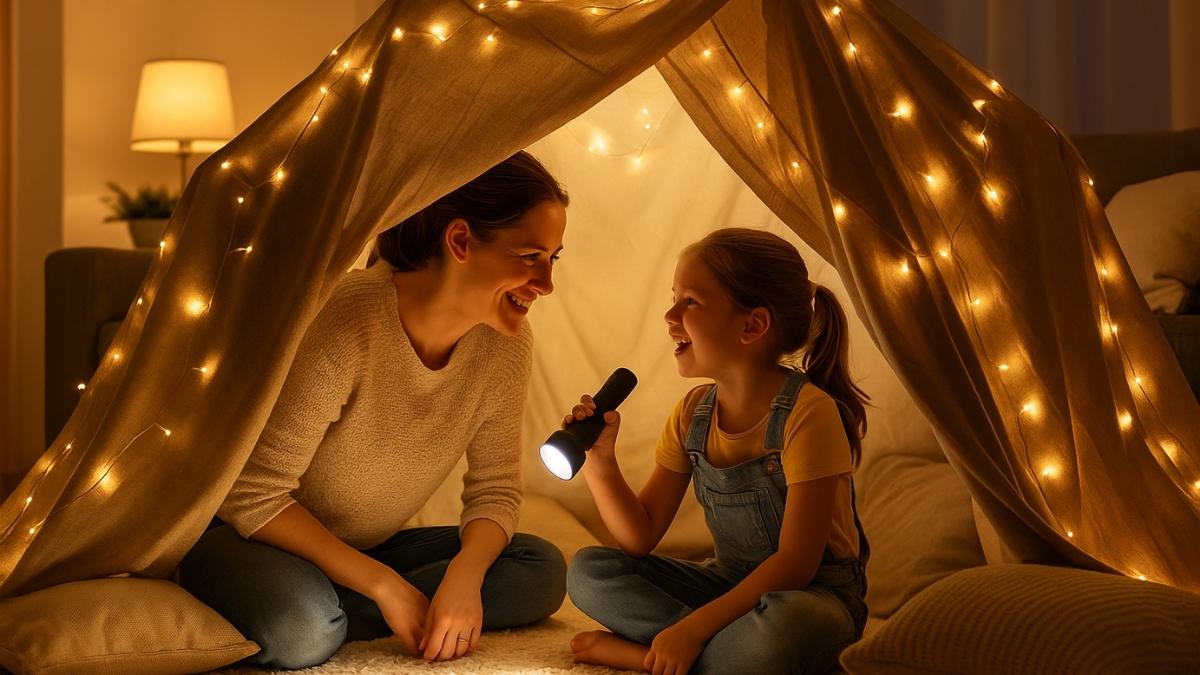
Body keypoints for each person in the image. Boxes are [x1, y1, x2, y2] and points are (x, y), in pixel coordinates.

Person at [179, 151, 570, 669]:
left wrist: (464, 578)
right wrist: (384, 585)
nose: (545, 283)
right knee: (303, 630)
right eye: (529, 256)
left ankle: (352, 610)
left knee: (539, 567)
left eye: (553, 259)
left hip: (364, 550)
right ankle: (357, 608)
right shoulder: (348, 318)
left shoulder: (506, 345)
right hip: (248, 537)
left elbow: (495, 489)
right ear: (459, 240)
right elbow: (251, 494)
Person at [564, 227, 871, 674]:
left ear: (752, 325)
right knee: (590, 572)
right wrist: (599, 459)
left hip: (812, 597)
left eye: (690, 302)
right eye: (674, 298)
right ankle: (711, 658)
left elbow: (796, 565)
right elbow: (639, 536)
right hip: (729, 586)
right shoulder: (693, 414)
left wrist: (693, 629)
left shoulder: (810, 413)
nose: (670, 315)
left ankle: (651, 658)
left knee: (786, 625)